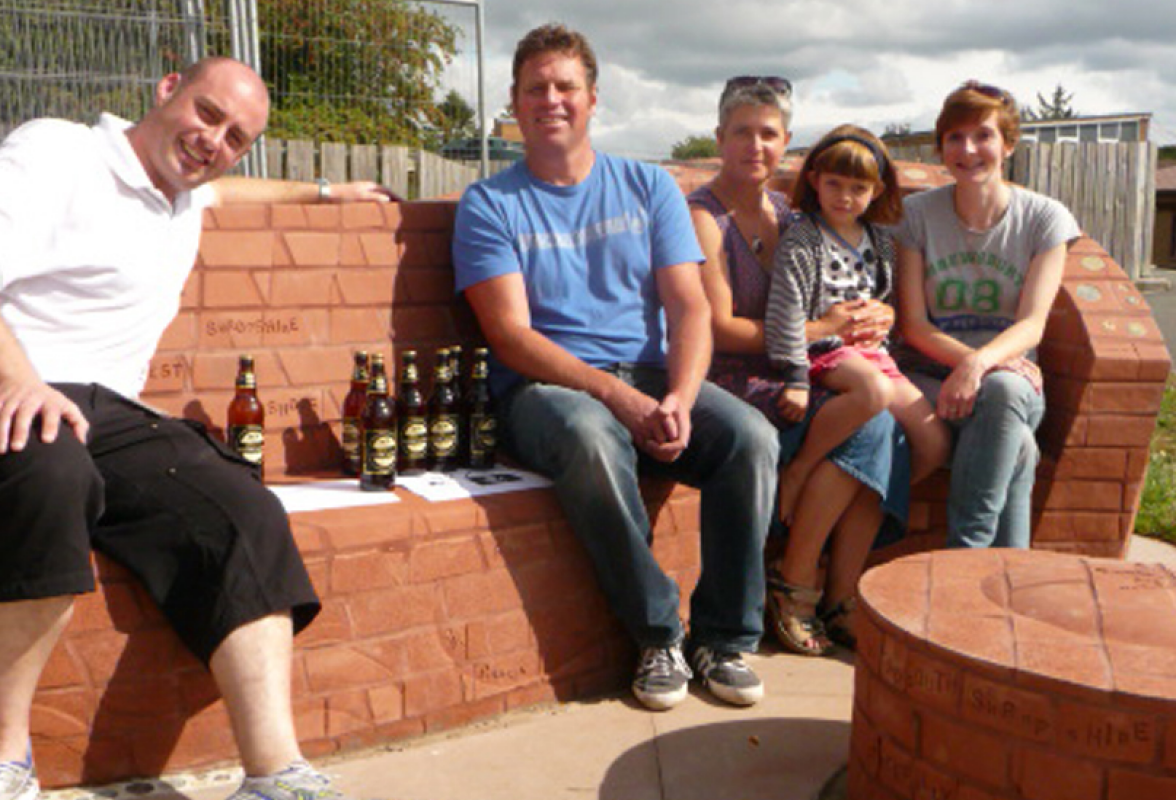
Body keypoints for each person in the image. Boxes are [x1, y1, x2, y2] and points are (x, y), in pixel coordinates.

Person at [0, 56, 391, 800]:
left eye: (236, 136)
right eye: (208, 114)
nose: (214, 141)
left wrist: (326, 190)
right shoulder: (58, 152)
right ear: (167, 88)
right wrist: (20, 379)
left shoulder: (186, 192)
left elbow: (226, 188)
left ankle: (275, 773)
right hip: (14, 386)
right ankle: (6, 759)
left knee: (244, 508)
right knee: (54, 472)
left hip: (111, 413)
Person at [453, 24, 780, 711]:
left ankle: (723, 637)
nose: (552, 100)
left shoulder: (648, 187)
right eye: (535, 88)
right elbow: (511, 337)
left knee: (750, 437)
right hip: (547, 391)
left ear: (592, 98)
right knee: (590, 434)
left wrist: (684, 399)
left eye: (565, 86)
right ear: (514, 103)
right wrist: (617, 399)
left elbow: (689, 308)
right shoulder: (489, 204)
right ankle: (658, 632)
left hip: (652, 373)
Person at [689, 83, 912, 656]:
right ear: (720, 139)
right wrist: (823, 330)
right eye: (742, 131)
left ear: (787, 144)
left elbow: (846, 276)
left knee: (886, 423)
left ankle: (834, 593)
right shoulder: (704, 219)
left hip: (796, 367)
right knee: (876, 424)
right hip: (732, 379)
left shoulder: (790, 213)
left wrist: (876, 311)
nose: (755, 145)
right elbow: (717, 329)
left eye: (769, 134)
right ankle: (798, 584)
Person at [894, 80, 1080, 549]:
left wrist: (977, 364)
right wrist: (963, 363)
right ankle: (1003, 582)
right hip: (929, 377)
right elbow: (913, 325)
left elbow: (1032, 324)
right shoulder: (915, 216)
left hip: (1011, 380)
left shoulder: (1044, 219)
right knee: (1018, 445)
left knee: (1001, 390)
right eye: (954, 137)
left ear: (1009, 144)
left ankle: (966, 551)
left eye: (983, 136)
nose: (968, 149)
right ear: (941, 148)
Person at [765, 125, 949, 522]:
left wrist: (887, 319)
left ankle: (870, 495)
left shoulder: (880, 241)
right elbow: (785, 309)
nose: (844, 197)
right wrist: (795, 377)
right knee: (873, 391)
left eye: (858, 188)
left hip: (872, 355)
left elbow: (883, 302)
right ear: (814, 181)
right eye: (834, 184)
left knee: (933, 442)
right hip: (822, 353)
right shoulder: (803, 239)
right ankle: (800, 470)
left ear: (877, 191)